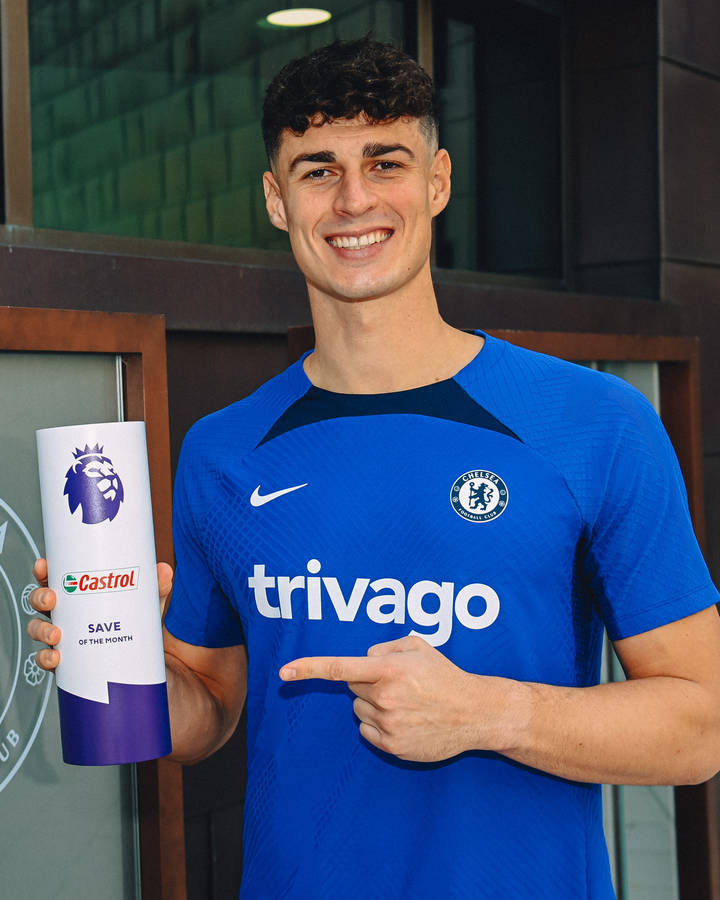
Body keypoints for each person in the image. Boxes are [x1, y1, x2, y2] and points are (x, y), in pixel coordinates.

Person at [29, 37, 720, 899]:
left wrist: (487, 714)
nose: (354, 200)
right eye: (318, 170)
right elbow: (207, 716)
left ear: (436, 181)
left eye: (384, 161)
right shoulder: (223, 449)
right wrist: (113, 660)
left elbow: (700, 726)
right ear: (277, 201)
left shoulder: (592, 423)